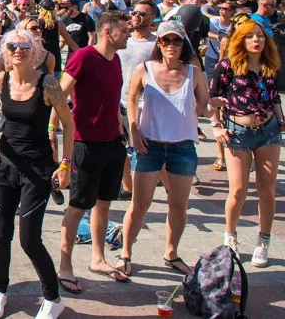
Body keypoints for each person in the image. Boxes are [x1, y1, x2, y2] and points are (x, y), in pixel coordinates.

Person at [0, 29, 75, 319]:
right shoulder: (1, 80)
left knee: (29, 238)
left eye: (24, 46)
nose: (18, 50)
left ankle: (53, 297)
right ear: (4, 52)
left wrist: (66, 164)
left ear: (33, 51)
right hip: (6, 165)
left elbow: (68, 125)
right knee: (0, 234)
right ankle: (0, 290)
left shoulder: (48, 85)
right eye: (12, 46)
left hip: (37, 169)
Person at [118, 20, 220, 277]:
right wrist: (134, 130)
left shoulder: (194, 73)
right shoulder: (145, 69)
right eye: (166, 41)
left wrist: (217, 105)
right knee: (140, 204)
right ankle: (126, 253)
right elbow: (131, 100)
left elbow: (204, 108)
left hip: (182, 147)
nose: (171, 46)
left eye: (176, 41)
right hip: (148, 145)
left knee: (178, 204)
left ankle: (171, 253)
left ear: (183, 43)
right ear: (158, 44)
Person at [57, 11, 131, 293]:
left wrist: (120, 128)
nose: (127, 34)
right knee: (77, 205)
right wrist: (61, 132)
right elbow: (60, 94)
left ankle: (98, 258)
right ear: (108, 32)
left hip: (113, 143)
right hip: (85, 144)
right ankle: (65, 264)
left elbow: (113, 99)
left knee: (104, 203)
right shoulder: (84, 57)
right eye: (123, 30)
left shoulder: (117, 60)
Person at [209, 17, 282, 268]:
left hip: (269, 132)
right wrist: (216, 126)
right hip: (237, 132)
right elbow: (213, 99)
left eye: (260, 36)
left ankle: (263, 240)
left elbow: (273, 98)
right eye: (251, 36)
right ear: (241, 39)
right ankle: (230, 237)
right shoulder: (227, 66)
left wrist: (281, 120)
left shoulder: (269, 65)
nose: (256, 40)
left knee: (267, 189)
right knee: (238, 190)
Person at [115, 1, 157, 199]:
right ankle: (127, 187)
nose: (136, 16)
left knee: (145, 149)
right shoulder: (123, 40)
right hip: (120, 101)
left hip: (146, 104)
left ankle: (163, 186)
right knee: (120, 147)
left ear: (152, 18)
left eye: (142, 13)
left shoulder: (158, 43)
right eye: (134, 12)